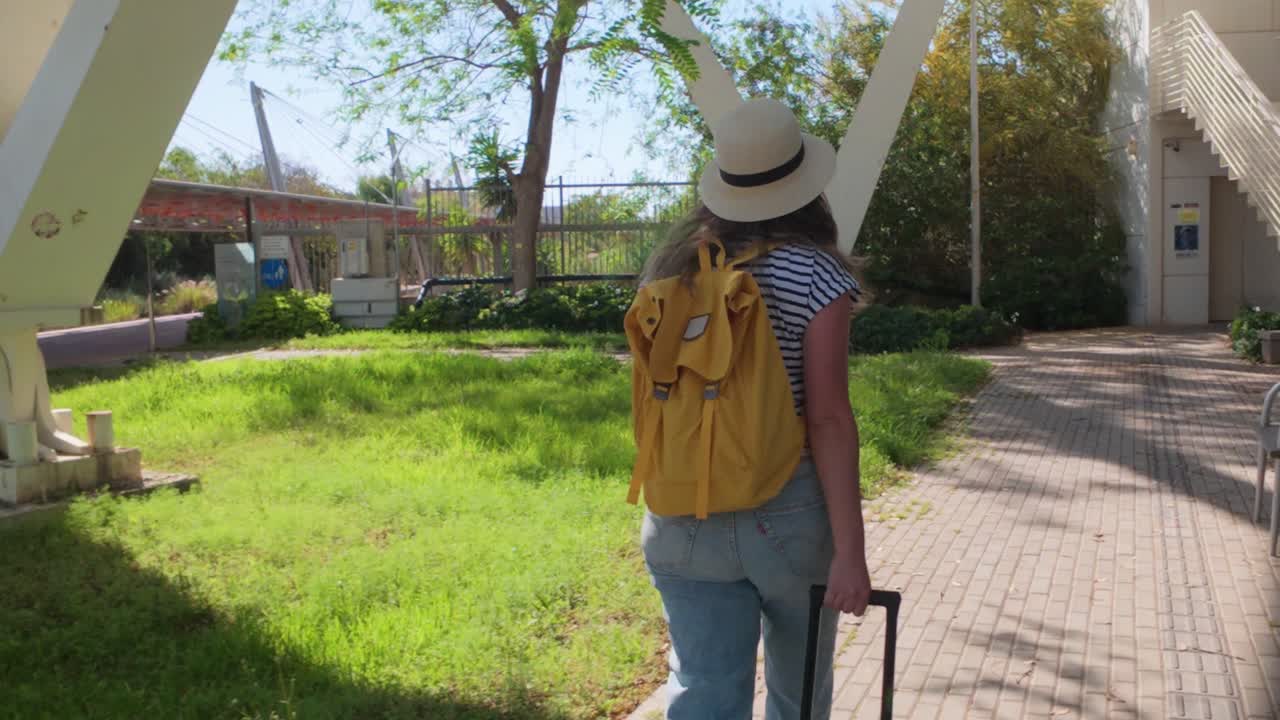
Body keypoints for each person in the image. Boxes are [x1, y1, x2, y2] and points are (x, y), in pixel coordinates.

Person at [637, 97, 872, 718]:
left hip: (682, 510)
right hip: (787, 509)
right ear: (806, 188)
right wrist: (851, 552)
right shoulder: (818, 275)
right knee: (797, 696)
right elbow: (827, 419)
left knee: (703, 691)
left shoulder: (672, 273)